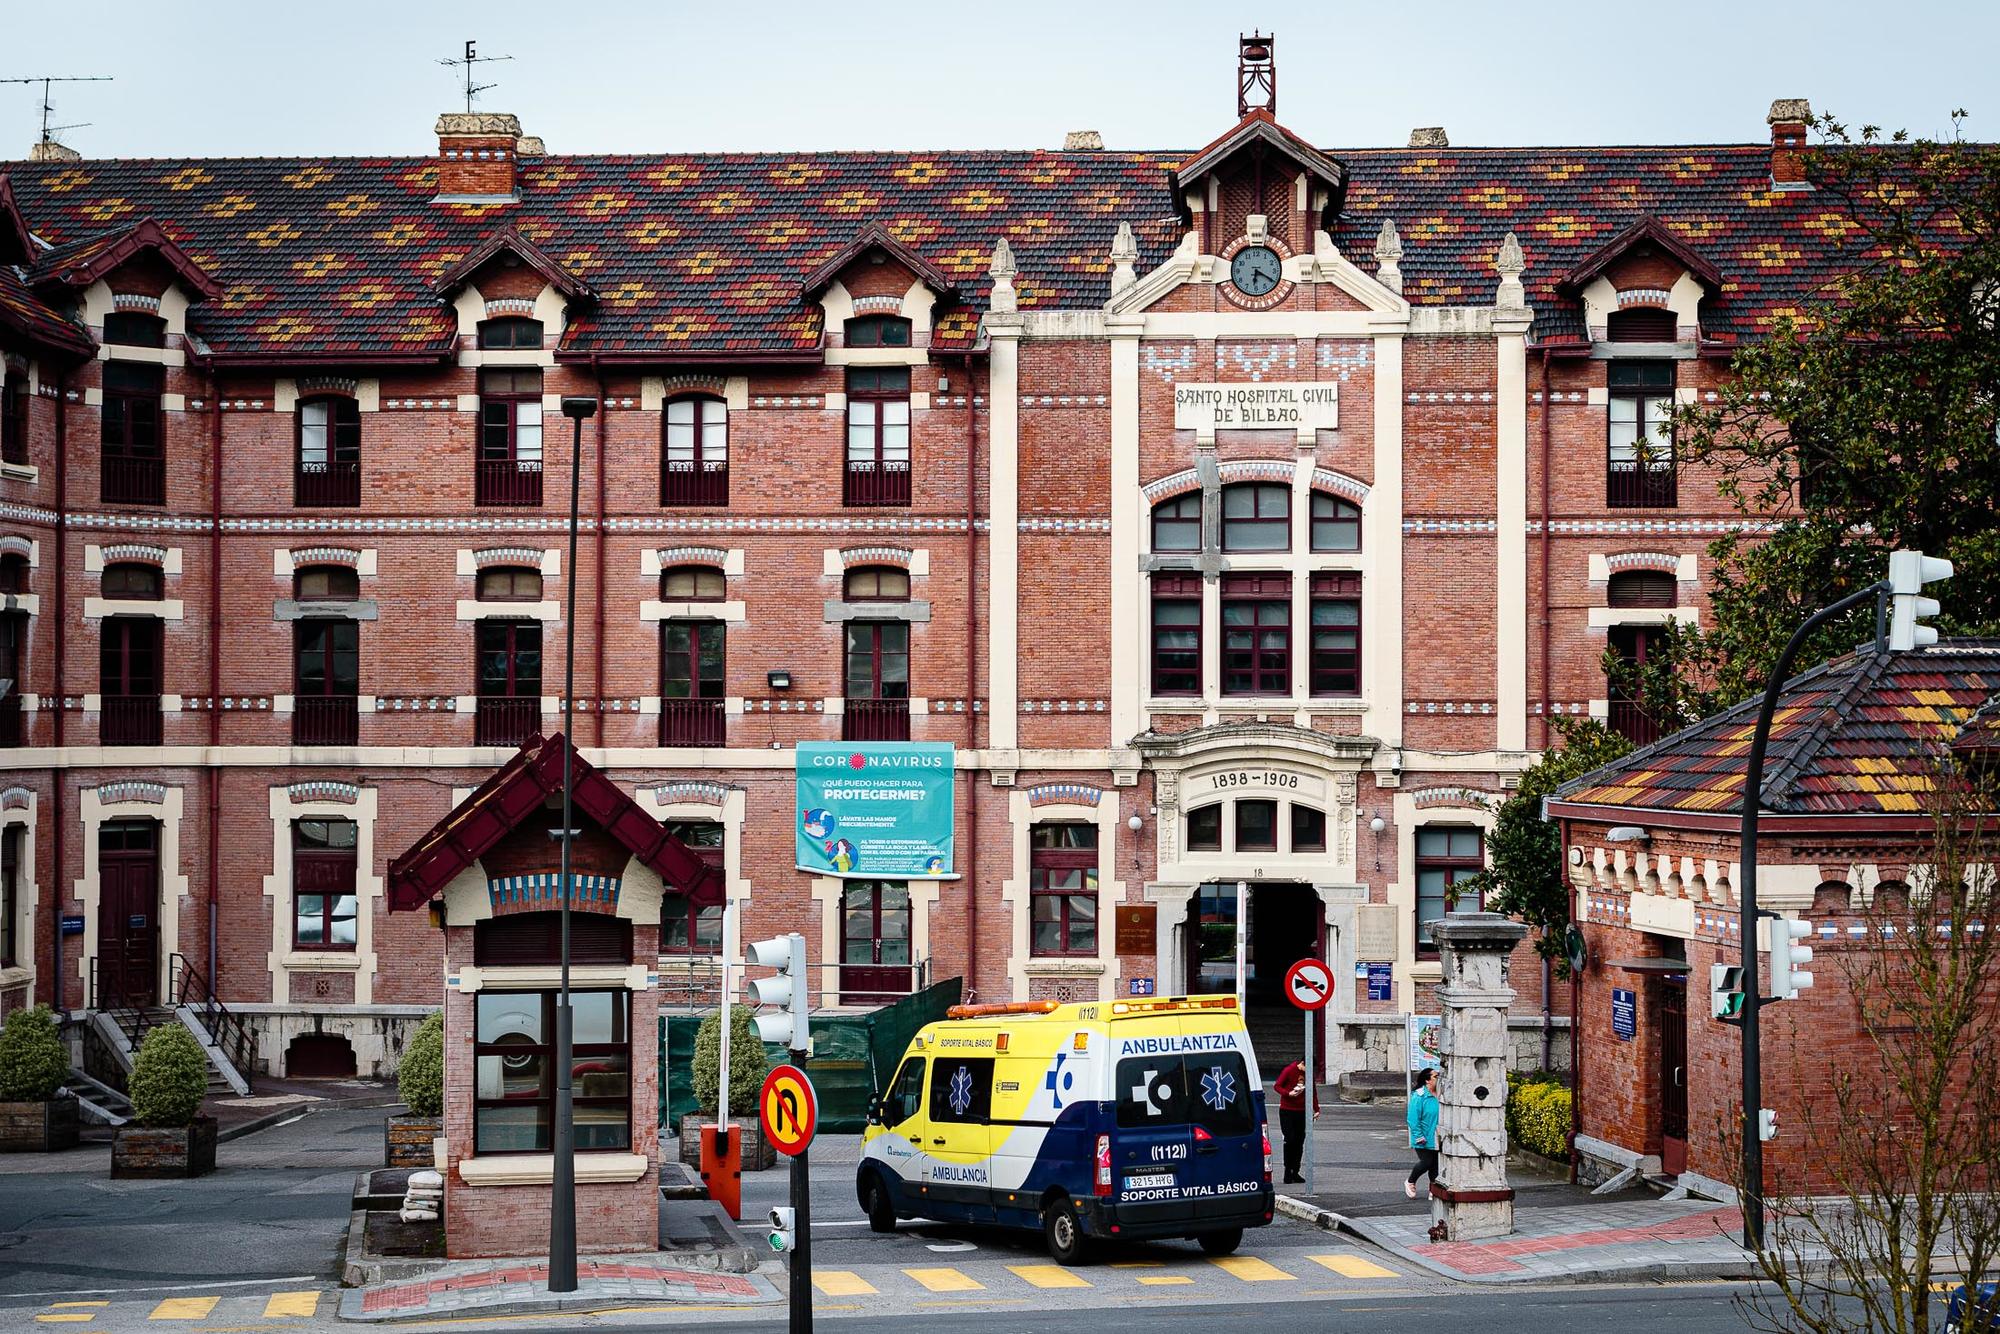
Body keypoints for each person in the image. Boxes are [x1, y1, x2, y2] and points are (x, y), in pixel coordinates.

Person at [1272, 1057, 1320, 1184]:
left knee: (1299, 1141)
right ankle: (1287, 1171)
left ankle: (1295, 1171)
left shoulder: (1309, 1075)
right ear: (1302, 1064)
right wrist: (1288, 1093)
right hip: (1287, 1110)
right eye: (1306, 1069)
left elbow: (1313, 1092)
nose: (1308, 1072)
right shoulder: (1289, 1070)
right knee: (1290, 1140)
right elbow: (1277, 1086)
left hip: (1301, 1111)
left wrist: (1316, 1109)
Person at [1405, 1065, 1440, 1199]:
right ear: (1427, 1080)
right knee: (1426, 1162)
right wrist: (1418, 1135)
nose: (1438, 1079)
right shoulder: (1419, 1096)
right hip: (1423, 1136)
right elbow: (1413, 1119)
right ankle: (1410, 1181)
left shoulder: (1440, 1094)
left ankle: (1433, 1189)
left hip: (1436, 1136)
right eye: (1435, 1076)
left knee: (1435, 1164)